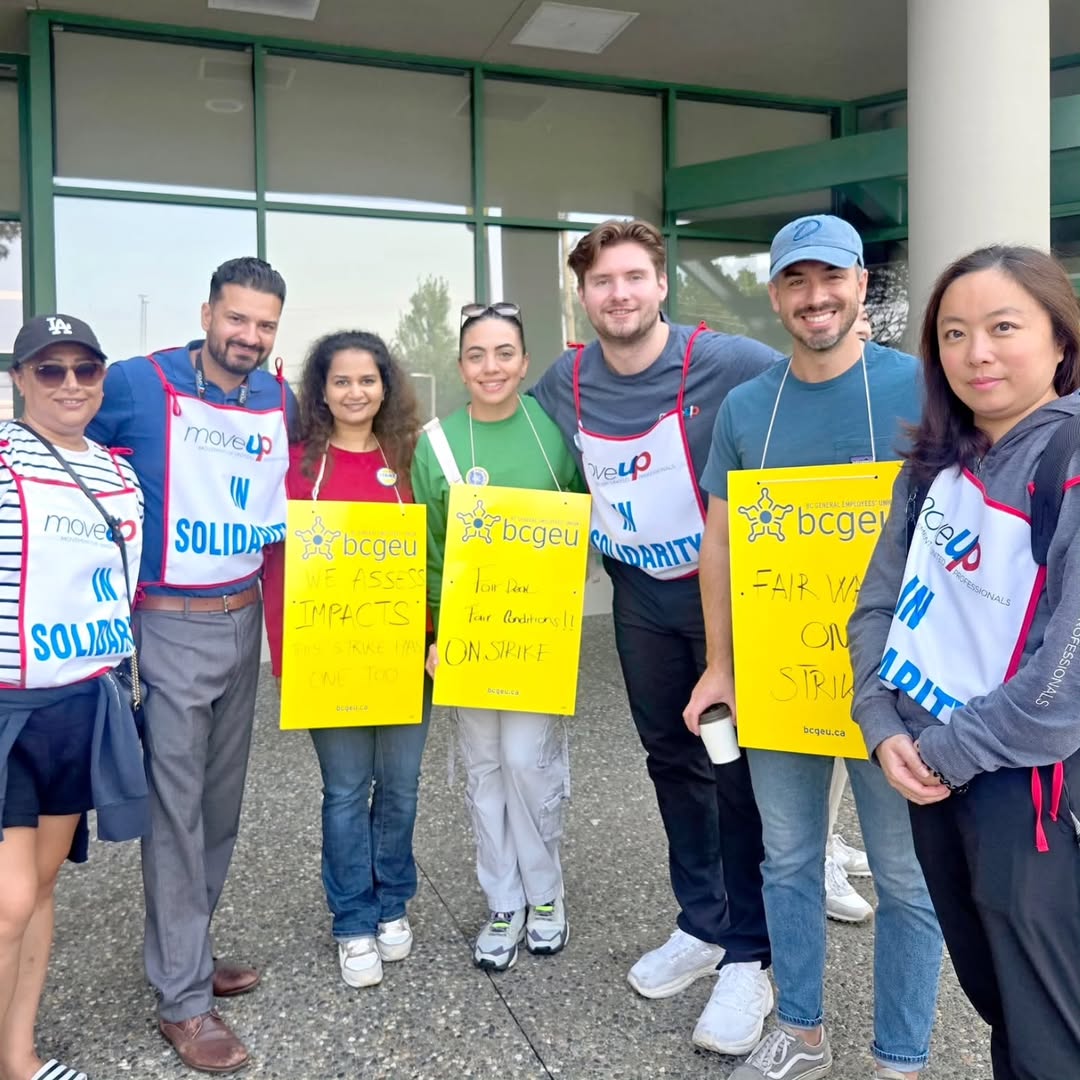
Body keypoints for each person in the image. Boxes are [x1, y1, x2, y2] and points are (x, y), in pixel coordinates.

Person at [684, 214, 943, 1080]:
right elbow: (718, 544)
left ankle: (900, 1055)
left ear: (861, 285)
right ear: (775, 297)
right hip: (782, 674)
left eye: (830, 278)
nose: (814, 296)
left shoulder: (922, 389)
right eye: (795, 281)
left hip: (898, 686)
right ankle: (798, 1030)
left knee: (906, 879)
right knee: (787, 858)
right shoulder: (747, 407)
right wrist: (720, 664)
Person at [531, 219, 779, 1055]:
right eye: (603, 283)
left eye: (634, 277)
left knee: (736, 766)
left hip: (728, 602)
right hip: (638, 598)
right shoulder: (563, 381)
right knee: (671, 760)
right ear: (583, 295)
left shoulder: (733, 362)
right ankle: (702, 922)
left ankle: (752, 953)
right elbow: (525, 454)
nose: (620, 294)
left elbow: (806, 409)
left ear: (661, 282)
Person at [849, 246, 1080, 1080]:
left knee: (1050, 1024)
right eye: (953, 333)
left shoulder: (1068, 458)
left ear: (1060, 340)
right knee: (996, 998)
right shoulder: (932, 463)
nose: (975, 351)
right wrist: (881, 727)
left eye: (1003, 327)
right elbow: (875, 604)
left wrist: (943, 755)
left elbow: (1066, 681)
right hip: (924, 771)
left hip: (1023, 790)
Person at [87, 258, 297, 1074]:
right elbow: (69, 455)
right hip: (169, 623)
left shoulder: (280, 397)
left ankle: (189, 954)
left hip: (243, 616)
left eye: (265, 324)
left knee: (218, 807)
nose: (248, 336)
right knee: (175, 813)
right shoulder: (139, 384)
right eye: (236, 318)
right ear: (208, 312)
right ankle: (181, 1001)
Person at [412, 302, 582, 972]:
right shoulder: (438, 443)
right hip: (467, 636)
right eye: (477, 355)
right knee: (483, 769)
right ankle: (503, 903)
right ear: (461, 365)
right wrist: (433, 633)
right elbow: (428, 546)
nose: (491, 367)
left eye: (504, 353)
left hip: (537, 634)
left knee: (527, 763)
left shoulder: (551, 430)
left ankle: (546, 895)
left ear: (523, 361)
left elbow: (579, 513)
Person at [0, 315, 147, 1080]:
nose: (68, 385)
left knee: (44, 887)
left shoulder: (121, 478)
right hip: (6, 710)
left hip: (80, 706)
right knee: (9, 901)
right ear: (20, 378)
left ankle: (18, 1055)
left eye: (83, 370)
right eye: (48, 370)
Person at [263, 330, 432, 991]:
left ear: (385, 386)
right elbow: (277, 566)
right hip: (327, 658)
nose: (355, 392)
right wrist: (289, 654)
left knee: (401, 788)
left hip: (405, 656)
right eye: (341, 381)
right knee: (343, 791)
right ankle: (353, 920)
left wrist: (440, 637)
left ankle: (393, 901)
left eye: (368, 379)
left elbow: (441, 556)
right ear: (321, 390)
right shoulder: (298, 467)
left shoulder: (412, 461)